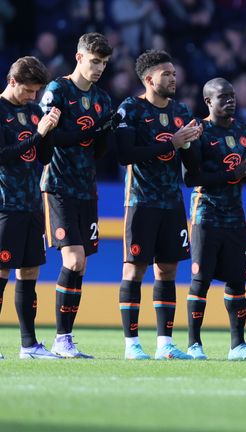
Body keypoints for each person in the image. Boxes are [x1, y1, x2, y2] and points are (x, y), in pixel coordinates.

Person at [115, 49, 202, 360]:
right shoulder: (131, 109)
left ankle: (165, 342)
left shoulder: (180, 112)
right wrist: (172, 142)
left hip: (172, 203)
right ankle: (132, 344)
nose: (173, 78)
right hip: (141, 201)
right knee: (135, 269)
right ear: (149, 79)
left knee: (167, 270)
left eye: (175, 73)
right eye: (167, 74)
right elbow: (126, 155)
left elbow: (191, 168)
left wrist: (191, 143)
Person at [39, 32, 116, 359]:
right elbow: (50, 140)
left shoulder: (102, 100)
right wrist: (92, 131)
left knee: (80, 266)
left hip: (87, 188)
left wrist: (104, 134)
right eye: (94, 61)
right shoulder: (57, 91)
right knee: (74, 259)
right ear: (79, 57)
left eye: (104, 63)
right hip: (58, 185)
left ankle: (65, 339)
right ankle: (61, 338)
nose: (98, 68)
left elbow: (98, 151)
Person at [183, 78, 246, 360]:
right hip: (206, 213)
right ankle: (194, 344)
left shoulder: (245, 132)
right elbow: (191, 177)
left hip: (235, 215)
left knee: (237, 280)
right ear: (208, 102)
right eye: (222, 97)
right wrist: (235, 172)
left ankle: (238, 345)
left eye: (232, 95)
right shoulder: (199, 132)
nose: (230, 100)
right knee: (200, 279)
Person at [0, 56, 60, 359]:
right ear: (12, 82)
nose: (33, 97)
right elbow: (3, 155)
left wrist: (49, 132)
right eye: (28, 91)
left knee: (29, 274)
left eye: (36, 92)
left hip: (33, 205)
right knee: (1, 272)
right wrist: (38, 135)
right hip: (5, 205)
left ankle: (29, 345)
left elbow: (44, 157)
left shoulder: (35, 111)